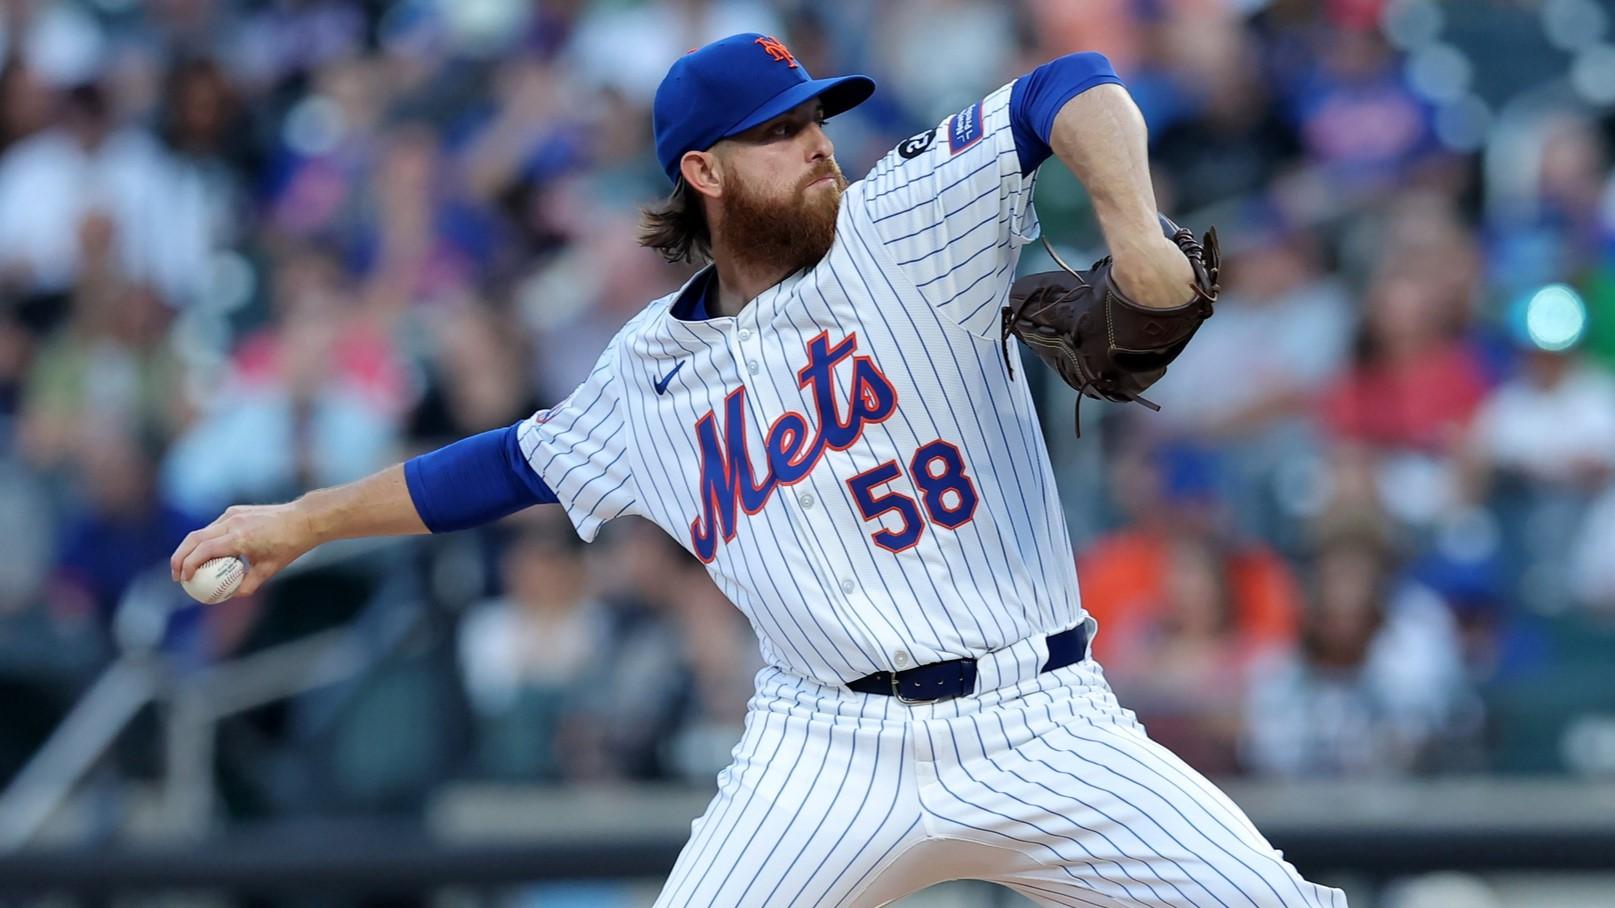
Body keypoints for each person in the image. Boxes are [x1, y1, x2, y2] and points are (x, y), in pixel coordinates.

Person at [173, 33, 1345, 907]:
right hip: (826, 749)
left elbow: (1067, 83)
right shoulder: (646, 373)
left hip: (1043, 717)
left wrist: (1134, 232)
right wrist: (301, 520)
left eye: (816, 117)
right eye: (780, 131)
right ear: (706, 172)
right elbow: (501, 468)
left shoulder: (902, 226)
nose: (816, 142)